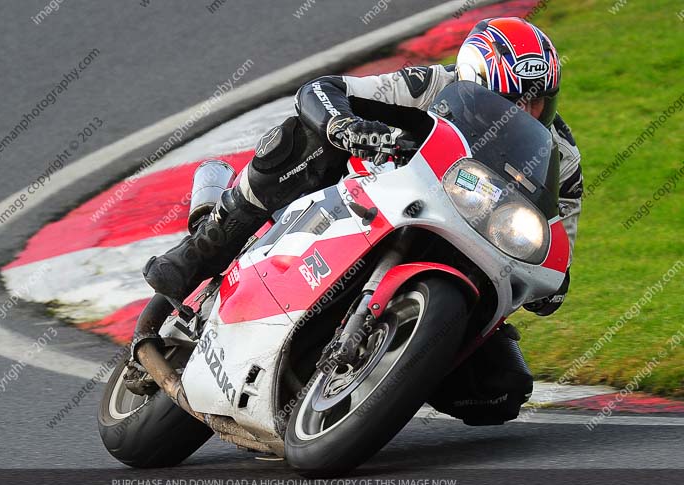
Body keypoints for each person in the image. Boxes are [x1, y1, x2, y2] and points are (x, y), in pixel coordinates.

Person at [143, 17, 583, 425]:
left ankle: (387, 377)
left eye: (535, 101)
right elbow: (322, 90)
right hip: (378, 188)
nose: (524, 113)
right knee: (300, 140)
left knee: (500, 392)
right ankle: (200, 250)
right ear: (473, 82)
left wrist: (555, 278)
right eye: (510, 100)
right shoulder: (432, 84)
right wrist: (344, 126)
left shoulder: (561, 154)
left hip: (470, 240)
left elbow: (562, 232)